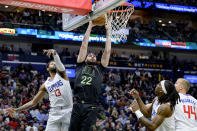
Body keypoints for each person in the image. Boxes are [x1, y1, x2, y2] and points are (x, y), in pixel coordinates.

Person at [6, 49, 73, 131]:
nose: (54, 64)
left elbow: (59, 64)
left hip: (68, 110)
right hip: (54, 112)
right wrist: (17, 110)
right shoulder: (45, 84)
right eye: (52, 63)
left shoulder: (62, 75)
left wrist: (55, 54)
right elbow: (33, 102)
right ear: (47, 69)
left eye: (55, 63)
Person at [69, 18, 112, 131]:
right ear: (85, 58)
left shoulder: (100, 68)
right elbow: (84, 45)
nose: (92, 56)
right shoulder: (80, 65)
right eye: (90, 55)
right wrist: (90, 26)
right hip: (78, 104)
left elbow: (107, 51)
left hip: (92, 106)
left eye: (94, 56)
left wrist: (108, 31)